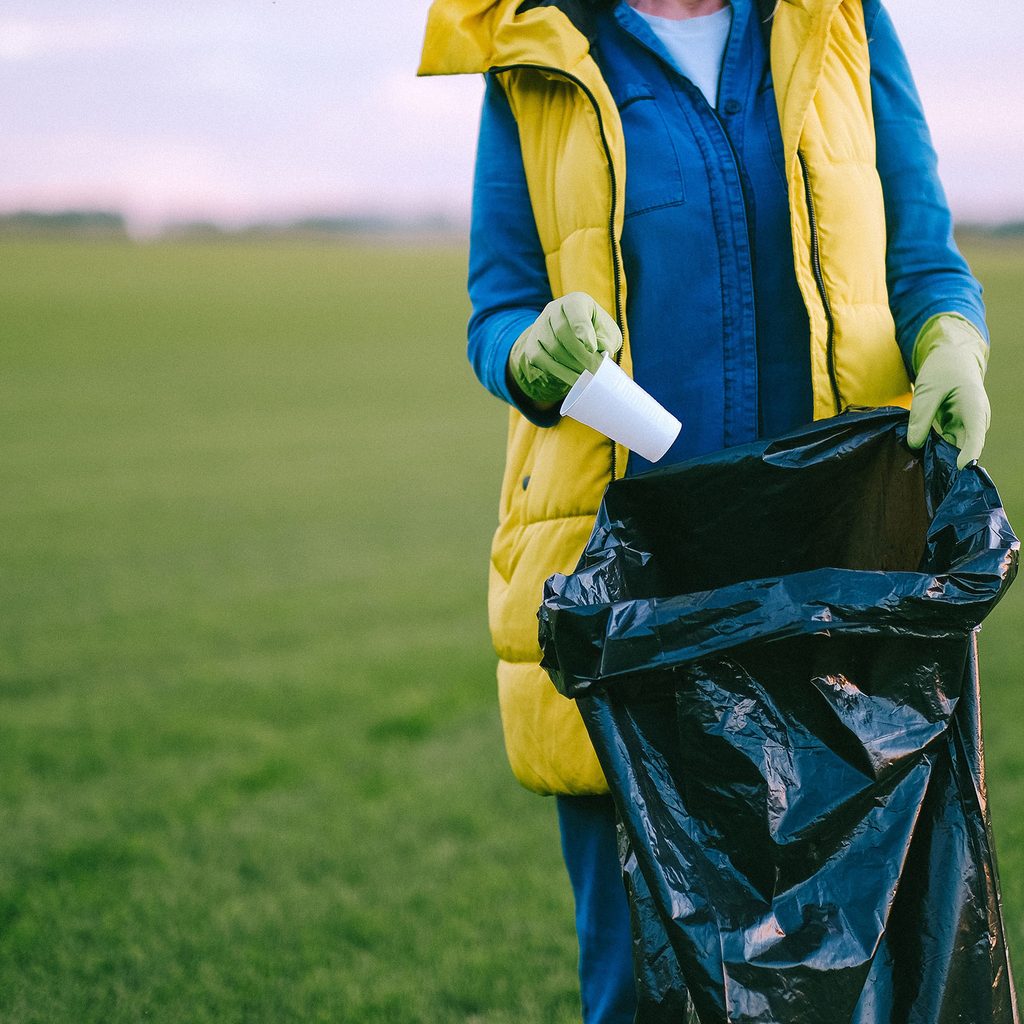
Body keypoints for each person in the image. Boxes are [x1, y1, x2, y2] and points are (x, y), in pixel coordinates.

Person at [418, 0, 992, 1020]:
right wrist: (529, 348)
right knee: (643, 985)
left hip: (832, 575)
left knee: (857, 975)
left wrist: (952, 337)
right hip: (640, 591)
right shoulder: (533, 48)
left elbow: (921, 255)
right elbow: (496, 303)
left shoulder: (843, 19)